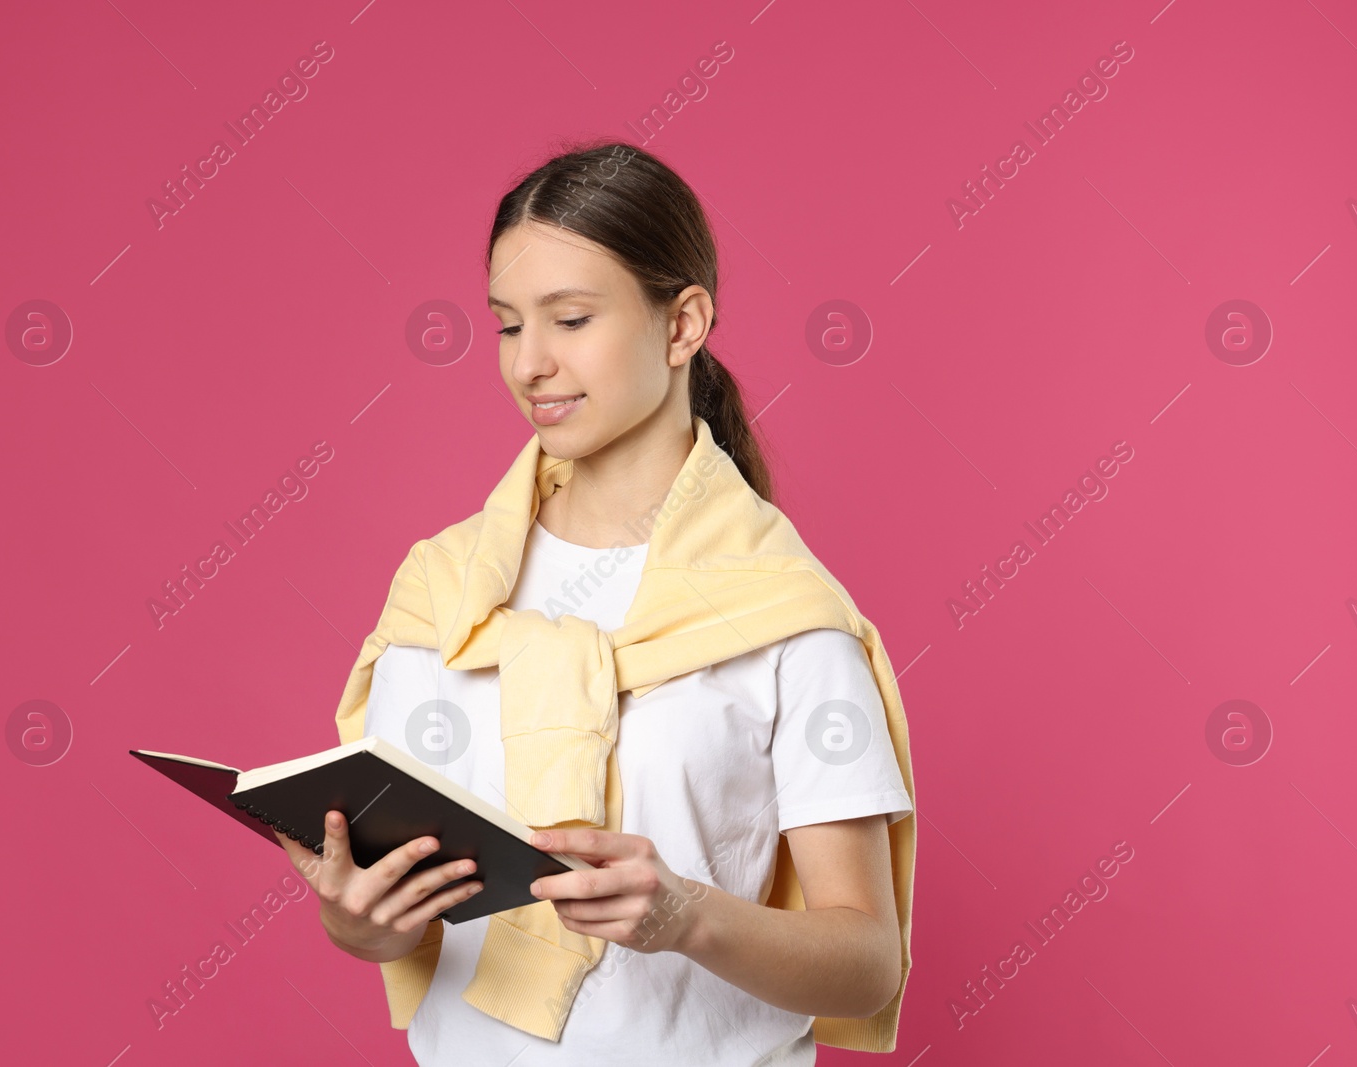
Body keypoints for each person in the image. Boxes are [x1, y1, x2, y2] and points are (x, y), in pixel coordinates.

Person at [275, 140, 915, 1065]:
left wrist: (686, 915)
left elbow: (867, 961)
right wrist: (361, 921)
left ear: (683, 323)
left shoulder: (779, 610)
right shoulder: (442, 594)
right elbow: (400, 923)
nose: (529, 362)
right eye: (505, 324)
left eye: (570, 318)